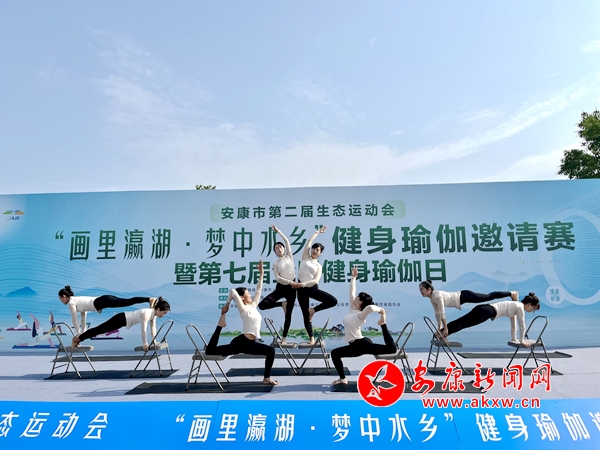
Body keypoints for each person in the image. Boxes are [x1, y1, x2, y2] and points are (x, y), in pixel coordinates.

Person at [206, 260, 278, 386]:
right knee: (210, 351)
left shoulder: (253, 306)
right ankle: (219, 327)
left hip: (249, 343)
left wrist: (261, 274)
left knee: (270, 351)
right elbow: (233, 291)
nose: (250, 295)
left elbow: (259, 289)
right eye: (247, 294)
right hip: (241, 343)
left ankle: (266, 379)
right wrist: (227, 304)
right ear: (242, 298)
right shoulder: (243, 308)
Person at [330, 267, 397, 385]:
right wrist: (353, 277)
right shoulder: (352, 309)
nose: (354, 297)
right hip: (359, 343)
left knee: (391, 349)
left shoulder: (360, 315)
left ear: (360, 302)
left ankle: (383, 324)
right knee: (335, 353)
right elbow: (351, 291)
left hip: (360, 345)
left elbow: (370, 307)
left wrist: (380, 310)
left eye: (357, 297)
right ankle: (342, 378)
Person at [438, 293, 541, 347]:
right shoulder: (520, 307)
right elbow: (522, 325)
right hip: (486, 312)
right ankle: (443, 334)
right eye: (533, 308)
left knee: (462, 321)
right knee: (463, 323)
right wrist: (522, 341)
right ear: (529, 304)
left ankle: (441, 332)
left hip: (484, 308)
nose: (531, 311)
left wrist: (514, 338)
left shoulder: (516, 305)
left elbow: (513, 322)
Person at [419, 280, 518, 336]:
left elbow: (442, 313)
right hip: (463, 298)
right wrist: (439, 327)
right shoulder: (432, 298)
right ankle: (444, 333)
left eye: (422, 289)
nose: (421, 292)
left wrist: (445, 329)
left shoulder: (437, 296)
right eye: (420, 290)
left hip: (465, 295)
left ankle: (511, 293)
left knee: (489, 296)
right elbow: (437, 313)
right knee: (489, 297)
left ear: (429, 289)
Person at [291, 226, 337, 344]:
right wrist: (318, 232)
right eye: (314, 248)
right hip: (301, 291)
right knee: (305, 314)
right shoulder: (305, 258)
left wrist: (302, 284)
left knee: (333, 301)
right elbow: (309, 241)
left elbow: (315, 281)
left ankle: (314, 310)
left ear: (320, 253)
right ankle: (311, 338)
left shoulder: (319, 266)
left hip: (311, 288)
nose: (315, 251)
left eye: (317, 250)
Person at [71, 298, 170, 351]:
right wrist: (145, 344)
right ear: (158, 309)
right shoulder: (147, 313)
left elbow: (153, 328)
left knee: (100, 330)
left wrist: (154, 341)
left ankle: (80, 338)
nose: (163, 315)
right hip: (121, 319)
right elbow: (143, 329)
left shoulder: (153, 314)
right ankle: (78, 338)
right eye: (164, 313)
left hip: (122, 321)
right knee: (100, 329)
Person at [58, 286, 160, 334]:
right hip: (104, 299)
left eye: (60, 299)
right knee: (127, 301)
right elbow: (83, 318)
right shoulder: (76, 300)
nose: (61, 301)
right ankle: (148, 299)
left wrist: (78, 333)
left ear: (64, 296)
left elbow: (74, 320)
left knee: (127, 302)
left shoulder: (71, 303)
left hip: (102, 301)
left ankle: (149, 299)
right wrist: (82, 332)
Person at [258, 225, 297, 342]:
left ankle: (284, 338)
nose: (279, 249)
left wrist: (278, 231)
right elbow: (278, 278)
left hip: (292, 289)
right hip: (281, 288)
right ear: (275, 251)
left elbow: (287, 241)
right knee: (262, 305)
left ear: (284, 249)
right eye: (276, 248)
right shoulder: (275, 264)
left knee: (288, 315)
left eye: (280, 247)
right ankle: (282, 304)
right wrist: (289, 281)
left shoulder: (289, 257)